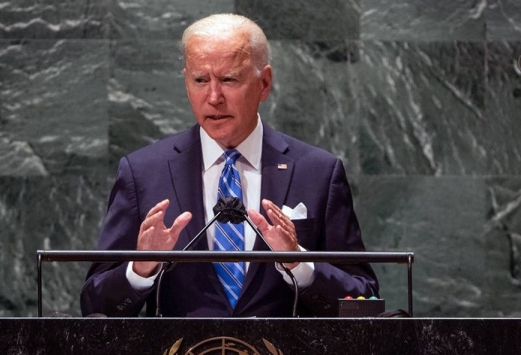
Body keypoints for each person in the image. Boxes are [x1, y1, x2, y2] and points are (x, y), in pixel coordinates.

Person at [80, 13, 379, 317]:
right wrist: (140, 268)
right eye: (200, 80)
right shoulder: (142, 173)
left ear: (264, 84)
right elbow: (94, 308)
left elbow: (363, 299)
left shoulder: (318, 173)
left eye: (228, 80)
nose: (213, 97)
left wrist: (299, 263)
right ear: (186, 84)